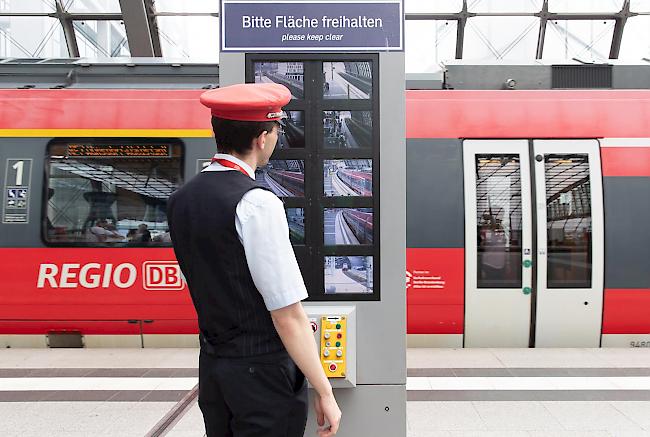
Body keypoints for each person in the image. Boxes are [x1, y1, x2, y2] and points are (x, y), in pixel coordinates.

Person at [167, 83, 341, 437]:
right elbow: (287, 315)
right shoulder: (257, 203)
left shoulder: (181, 199)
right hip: (261, 378)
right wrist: (325, 390)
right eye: (277, 131)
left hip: (215, 371)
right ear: (263, 137)